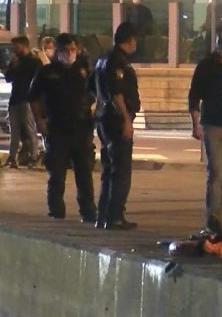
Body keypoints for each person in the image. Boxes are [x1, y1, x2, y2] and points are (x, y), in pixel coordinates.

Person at [30, 34, 97, 223]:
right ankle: (56, 210)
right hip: (57, 128)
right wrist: (40, 122)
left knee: (84, 173)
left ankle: (88, 210)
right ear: (58, 52)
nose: (70, 54)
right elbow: (34, 98)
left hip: (81, 128)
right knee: (57, 174)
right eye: (66, 51)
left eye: (73, 50)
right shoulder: (47, 72)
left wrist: (94, 111)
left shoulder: (83, 70)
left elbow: (97, 93)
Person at [189, 25, 222, 235]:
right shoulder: (206, 66)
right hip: (212, 125)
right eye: (221, 41)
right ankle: (211, 219)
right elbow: (194, 95)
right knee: (216, 172)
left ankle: (217, 219)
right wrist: (195, 123)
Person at [93, 22, 141, 230]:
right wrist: (126, 120)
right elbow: (117, 93)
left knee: (109, 168)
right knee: (120, 170)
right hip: (116, 119)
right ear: (130, 40)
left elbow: (93, 88)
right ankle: (114, 216)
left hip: (105, 117)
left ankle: (104, 214)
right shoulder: (117, 62)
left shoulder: (102, 59)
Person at [4, 36, 41, 169]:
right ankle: (12, 158)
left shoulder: (34, 61)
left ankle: (34, 157)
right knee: (14, 130)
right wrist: (12, 65)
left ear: (24, 45)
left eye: (16, 46)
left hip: (27, 99)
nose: (14, 49)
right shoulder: (16, 61)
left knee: (30, 129)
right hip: (15, 98)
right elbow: (8, 78)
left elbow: (38, 80)